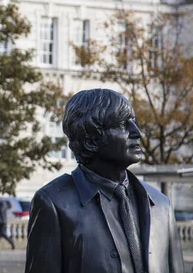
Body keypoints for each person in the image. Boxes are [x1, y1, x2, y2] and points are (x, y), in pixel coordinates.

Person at [25, 89, 184, 273]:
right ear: (91, 138)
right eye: (122, 124)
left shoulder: (161, 204)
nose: (137, 132)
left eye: (134, 122)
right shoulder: (54, 204)